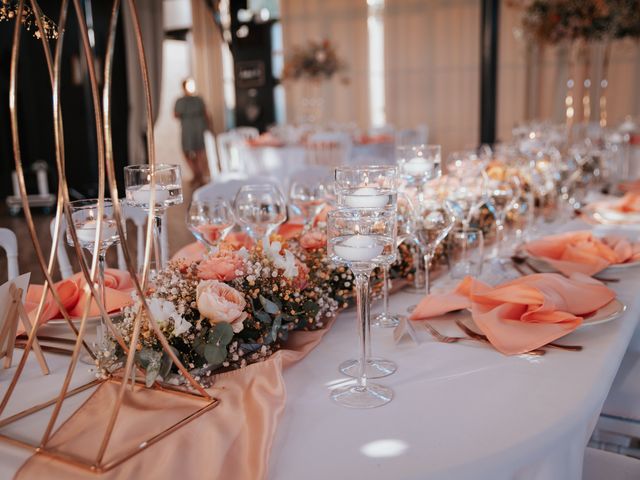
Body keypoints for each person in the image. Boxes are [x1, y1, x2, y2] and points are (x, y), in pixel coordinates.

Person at [174, 78, 211, 185]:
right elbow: (176, 114)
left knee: (199, 152)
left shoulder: (198, 99)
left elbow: (206, 113)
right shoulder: (180, 100)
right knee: (187, 152)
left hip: (197, 127)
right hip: (187, 128)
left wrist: (208, 127)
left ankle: (200, 176)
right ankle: (197, 174)